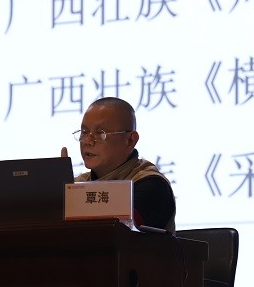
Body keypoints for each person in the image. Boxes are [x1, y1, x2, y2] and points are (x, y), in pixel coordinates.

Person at [61, 97, 176, 232]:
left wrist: (70, 203)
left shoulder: (151, 184)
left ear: (130, 140)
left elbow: (116, 233)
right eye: (84, 132)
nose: (87, 141)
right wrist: (60, 193)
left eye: (100, 133)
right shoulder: (77, 184)